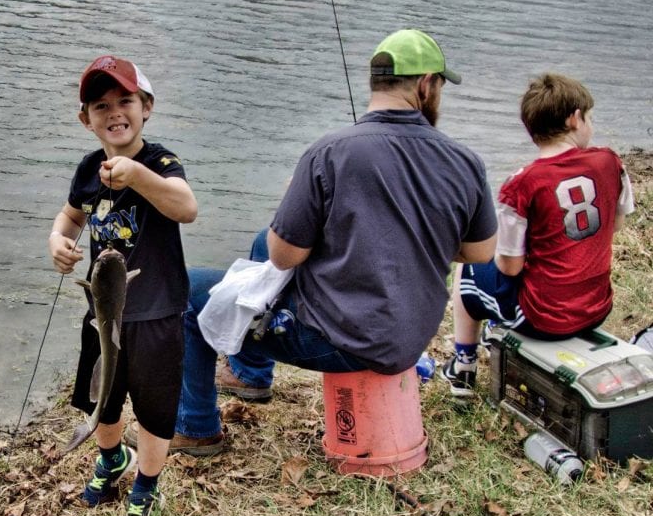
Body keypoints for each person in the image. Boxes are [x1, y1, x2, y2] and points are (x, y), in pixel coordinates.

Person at [174, 28, 497, 451]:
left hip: (349, 341)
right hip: (412, 332)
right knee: (258, 243)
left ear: (375, 83)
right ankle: (250, 374)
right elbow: (479, 251)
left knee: (184, 290)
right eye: (439, 85)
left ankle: (196, 428)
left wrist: (297, 200)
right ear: (425, 85)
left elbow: (285, 255)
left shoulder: (328, 152)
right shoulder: (465, 161)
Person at [48, 55, 197, 516]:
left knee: (154, 411)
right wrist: (58, 241)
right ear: (85, 119)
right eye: (100, 105)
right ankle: (110, 458)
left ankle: (146, 484)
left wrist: (139, 177)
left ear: (146, 107)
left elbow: (185, 208)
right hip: (103, 314)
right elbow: (70, 216)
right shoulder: (89, 169)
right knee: (103, 401)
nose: (114, 112)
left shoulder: (162, 162)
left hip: (156, 314)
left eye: (125, 101)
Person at [440, 73, 636, 398]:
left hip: (545, 319)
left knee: (467, 266)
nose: (591, 124)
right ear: (574, 119)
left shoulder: (522, 184)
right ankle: (488, 338)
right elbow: (614, 226)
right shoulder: (610, 161)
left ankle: (463, 367)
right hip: (598, 308)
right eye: (589, 117)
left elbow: (510, 268)